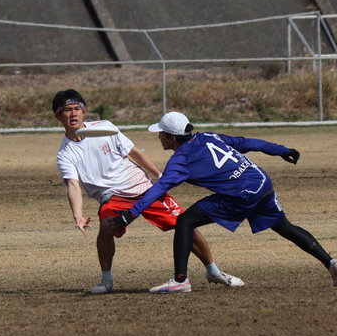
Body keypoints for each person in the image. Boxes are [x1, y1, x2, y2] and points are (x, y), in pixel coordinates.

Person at [109, 112, 337, 293]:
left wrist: (130, 214)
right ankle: (331, 262)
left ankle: (180, 280)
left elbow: (159, 188)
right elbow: (245, 142)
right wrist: (281, 150)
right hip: (261, 182)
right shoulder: (208, 136)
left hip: (241, 194)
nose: (159, 137)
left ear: (172, 137)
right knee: (285, 227)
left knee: (184, 222)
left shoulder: (180, 160)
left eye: (160, 133)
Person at [53, 89, 241, 294]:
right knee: (106, 226)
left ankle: (213, 271)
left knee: (184, 223)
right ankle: (106, 281)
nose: (73, 114)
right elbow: (73, 185)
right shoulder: (65, 154)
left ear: (84, 111)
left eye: (77, 108)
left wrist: (159, 176)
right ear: (58, 116)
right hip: (113, 196)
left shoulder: (105, 127)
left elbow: (134, 152)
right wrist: (78, 216)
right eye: (68, 110)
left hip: (142, 187)